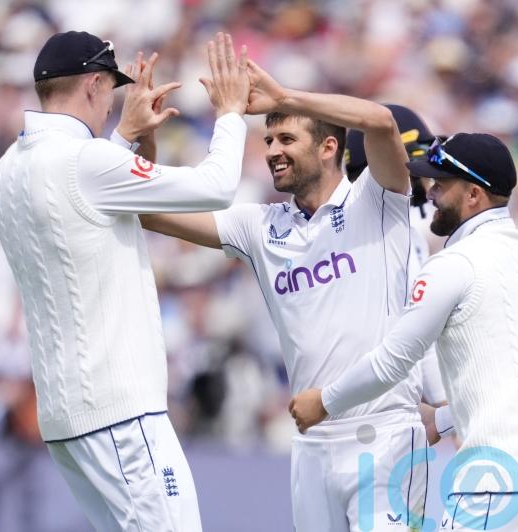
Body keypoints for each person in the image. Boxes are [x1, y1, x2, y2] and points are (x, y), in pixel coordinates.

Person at [141, 61, 430, 531]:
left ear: (329, 146)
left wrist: (287, 98)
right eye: (269, 141)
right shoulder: (260, 226)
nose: (273, 151)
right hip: (311, 442)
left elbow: (380, 121)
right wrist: (145, 142)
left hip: (385, 436)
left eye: (287, 139)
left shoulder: (375, 202)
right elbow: (152, 215)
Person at [0, 30, 250, 532]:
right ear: (92, 85)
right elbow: (216, 187)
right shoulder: (87, 162)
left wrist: (124, 141)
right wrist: (232, 113)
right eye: (110, 91)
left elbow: (79, 205)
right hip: (122, 415)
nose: (111, 106)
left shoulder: (7, 169)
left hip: (66, 423)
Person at [290, 133, 518, 530]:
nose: (430, 193)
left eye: (441, 183)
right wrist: (444, 421)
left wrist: (325, 401)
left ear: (474, 195)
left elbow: (391, 363)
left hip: (503, 477)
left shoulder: (454, 263)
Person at [344, 104, 455, 443]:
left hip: (358, 405)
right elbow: (419, 333)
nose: (432, 174)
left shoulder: (379, 229)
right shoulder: (394, 233)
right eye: (423, 156)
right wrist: (444, 409)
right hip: (377, 413)